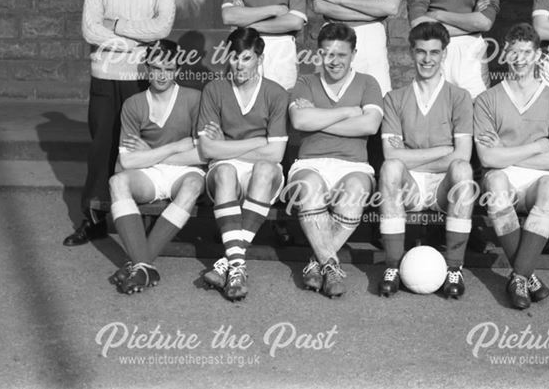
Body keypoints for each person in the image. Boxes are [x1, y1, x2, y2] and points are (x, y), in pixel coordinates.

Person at [69, 0, 176, 246]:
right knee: (102, 146)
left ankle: (141, 217)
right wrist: (133, 44)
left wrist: (114, 25)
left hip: (141, 78)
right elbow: (90, 30)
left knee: (139, 146)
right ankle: (94, 219)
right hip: (105, 76)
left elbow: (161, 29)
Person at [475, 24, 549, 309]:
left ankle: (519, 276)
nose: (519, 59)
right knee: (494, 184)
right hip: (502, 176)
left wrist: (504, 150)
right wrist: (535, 147)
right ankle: (526, 276)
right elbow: (487, 160)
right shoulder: (486, 99)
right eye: (513, 52)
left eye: (526, 52)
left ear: (537, 55)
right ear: (505, 53)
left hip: (538, 177)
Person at [378, 22, 476, 298]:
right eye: (421, 52)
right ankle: (393, 266)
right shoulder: (394, 98)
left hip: (444, 187)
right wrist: (443, 150)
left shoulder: (459, 97)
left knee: (463, 170)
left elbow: (462, 156)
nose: (427, 59)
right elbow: (391, 156)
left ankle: (454, 267)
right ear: (411, 53)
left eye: (434, 52)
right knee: (390, 168)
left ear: (444, 54)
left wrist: (409, 156)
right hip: (411, 186)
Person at [286, 23, 384, 298]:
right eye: (328, 54)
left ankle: (317, 263)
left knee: (355, 191)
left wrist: (320, 118)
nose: (334, 61)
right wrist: (349, 111)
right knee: (308, 189)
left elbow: (370, 126)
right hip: (310, 162)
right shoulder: (306, 81)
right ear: (319, 54)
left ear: (353, 53)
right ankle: (330, 266)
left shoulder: (368, 83)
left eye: (341, 55)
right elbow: (300, 120)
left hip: (354, 165)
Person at [196, 27, 289, 302]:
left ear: (259, 59)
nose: (239, 64)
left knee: (264, 169)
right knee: (224, 170)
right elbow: (207, 148)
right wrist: (259, 142)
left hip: (262, 171)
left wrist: (227, 144)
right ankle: (237, 266)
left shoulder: (276, 93)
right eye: (234, 57)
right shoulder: (214, 89)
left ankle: (230, 262)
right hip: (225, 169)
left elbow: (277, 153)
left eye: (246, 58)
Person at [107, 40, 203, 294]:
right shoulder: (134, 104)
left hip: (184, 171)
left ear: (178, 71)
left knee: (195, 183)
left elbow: (203, 154)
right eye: (156, 68)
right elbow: (127, 161)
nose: (162, 75)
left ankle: (138, 265)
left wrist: (149, 154)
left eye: (168, 69)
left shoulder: (194, 99)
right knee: (117, 182)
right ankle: (144, 267)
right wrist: (172, 148)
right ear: (147, 69)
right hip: (152, 171)